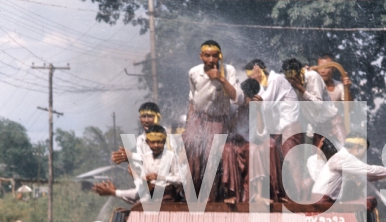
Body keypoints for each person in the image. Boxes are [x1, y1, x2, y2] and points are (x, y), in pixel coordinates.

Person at [183, 40, 243, 198]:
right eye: (207, 56)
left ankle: (211, 198)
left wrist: (221, 79)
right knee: (189, 147)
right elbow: (192, 100)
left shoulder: (228, 71)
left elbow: (238, 98)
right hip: (198, 116)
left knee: (211, 156)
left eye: (215, 56)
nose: (211, 60)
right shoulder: (193, 72)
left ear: (220, 56)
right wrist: (188, 126)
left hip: (217, 119)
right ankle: (190, 195)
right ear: (201, 56)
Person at [246, 59, 304, 202]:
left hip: (290, 128)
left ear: (258, 70)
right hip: (278, 131)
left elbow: (264, 105)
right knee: (280, 163)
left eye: (251, 75)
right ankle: (285, 196)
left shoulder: (275, 80)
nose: (250, 79)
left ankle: (299, 200)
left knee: (291, 162)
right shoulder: (264, 87)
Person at [310, 132, 386, 204]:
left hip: (326, 201)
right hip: (323, 203)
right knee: (368, 202)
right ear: (357, 147)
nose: (364, 155)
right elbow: (371, 171)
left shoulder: (343, 158)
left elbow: (367, 177)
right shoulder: (344, 158)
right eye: (364, 151)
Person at [94, 125, 182, 204]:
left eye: (159, 142)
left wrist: (160, 177)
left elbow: (180, 180)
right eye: (153, 142)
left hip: (168, 198)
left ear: (164, 141)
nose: (156, 145)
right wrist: (115, 192)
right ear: (147, 142)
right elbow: (139, 193)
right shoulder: (145, 158)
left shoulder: (171, 156)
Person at [285, 57, 345, 146]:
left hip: (332, 123)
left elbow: (319, 104)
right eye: (290, 79)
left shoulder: (313, 76)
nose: (293, 82)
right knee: (316, 159)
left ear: (300, 73)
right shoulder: (289, 83)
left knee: (344, 152)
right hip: (317, 127)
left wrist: (301, 89)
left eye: (295, 78)